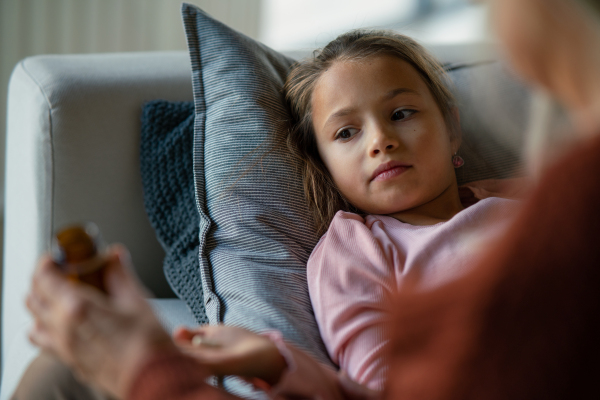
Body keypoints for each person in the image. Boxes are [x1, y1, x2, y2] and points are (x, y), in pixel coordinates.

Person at [16, 25, 530, 400]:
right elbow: (382, 384)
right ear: (325, 165)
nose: (382, 141)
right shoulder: (357, 251)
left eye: (401, 114)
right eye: (346, 132)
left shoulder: (525, 200)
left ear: (452, 129)